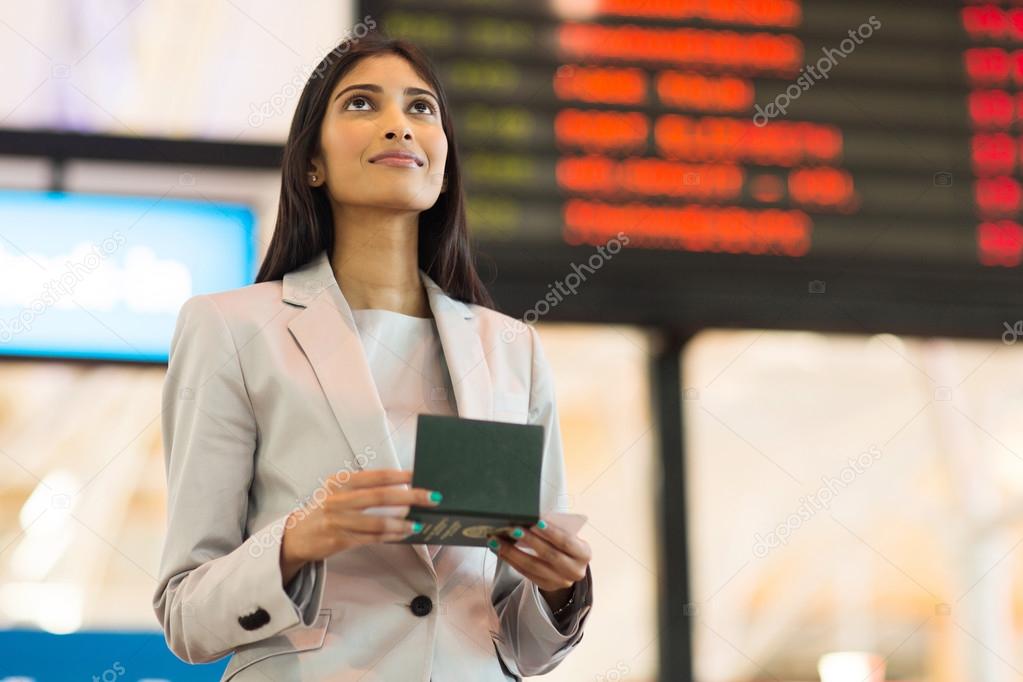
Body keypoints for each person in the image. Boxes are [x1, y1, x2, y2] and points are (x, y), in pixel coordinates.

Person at [152, 33, 593, 681]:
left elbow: (521, 646)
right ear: (311, 164)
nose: (398, 126)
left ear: (442, 164)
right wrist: (299, 538)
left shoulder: (511, 349)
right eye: (362, 105)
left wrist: (560, 590)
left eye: (421, 109)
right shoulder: (230, 327)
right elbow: (186, 615)